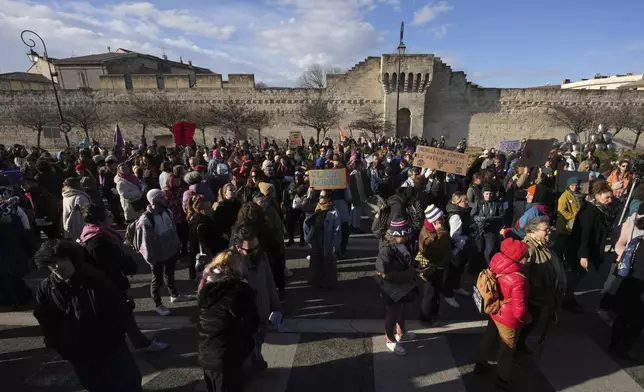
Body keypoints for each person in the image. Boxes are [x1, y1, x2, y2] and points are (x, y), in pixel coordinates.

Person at [32, 239, 143, 392]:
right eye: (52, 263)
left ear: (72, 259)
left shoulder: (96, 281)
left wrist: (112, 340)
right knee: (94, 385)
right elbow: (45, 318)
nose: (58, 266)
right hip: (77, 352)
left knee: (126, 384)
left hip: (108, 349)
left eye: (62, 260)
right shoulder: (46, 288)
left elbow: (118, 313)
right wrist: (58, 344)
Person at [80, 204, 168, 353]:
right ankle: (138, 345)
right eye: (108, 216)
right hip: (110, 285)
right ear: (100, 221)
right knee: (124, 315)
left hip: (107, 284)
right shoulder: (99, 242)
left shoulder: (93, 232)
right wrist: (126, 285)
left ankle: (134, 343)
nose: (112, 217)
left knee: (120, 316)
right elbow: (111, 268)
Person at [197, 251, 259, 392]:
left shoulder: (207, 287)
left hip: (206, 353)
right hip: (228, 356)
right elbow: (251, 325)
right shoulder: (239, 290)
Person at [474, 238, 531, 391]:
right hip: (509, 318)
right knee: (506, 350)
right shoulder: (518, 279)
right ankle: (502, 378)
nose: (528, 258)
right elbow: (519, 310)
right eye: (525, 255)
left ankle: (480, 363)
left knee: (489, 338)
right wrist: (525, 319)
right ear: (517, 257)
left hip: (495, 310)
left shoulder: (496, 263)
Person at [230, 223, 283, 371]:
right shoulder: (229, 263)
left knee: (259, 339)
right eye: (250, 249)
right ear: (238, 247)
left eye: (256, 247)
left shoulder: (262, 256)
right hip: (243, 316)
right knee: (244, 346)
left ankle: (257, 357)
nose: (255, 252)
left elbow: (270, 282)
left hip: (262, 309)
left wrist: (277, 306)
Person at [134, 189, 193, 316]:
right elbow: (146, 241)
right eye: (161, 197)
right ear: (154, 200)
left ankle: (174, 295)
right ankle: (158, 304)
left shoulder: (167, 212)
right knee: (157, 279)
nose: (165, 199)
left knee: (170, 274)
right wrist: (151, 258)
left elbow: (173, 229)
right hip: (156, 255)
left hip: (170, 251)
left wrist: (177, 245)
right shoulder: (146, 219)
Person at [516, 216, 566, 354]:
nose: (549, 232)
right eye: (546, 230)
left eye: (549, 229)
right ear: (532, 231)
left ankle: (520, 345)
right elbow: (522, 275)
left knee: (532, 321)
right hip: (533, 296)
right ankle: (518, 349)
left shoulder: (543, 245)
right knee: (527, 324)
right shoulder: (527, 248)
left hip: (541, 295)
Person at [564, 180, 613, 312]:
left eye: (611, 197)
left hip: (585, 249)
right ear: (597, 196)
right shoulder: (589, 212)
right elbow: (584, 235)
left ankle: (568, 298)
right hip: (579, 250)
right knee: (575, 275)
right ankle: (566, 300)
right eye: (607, 197)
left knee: (577, 275)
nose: (610, 200)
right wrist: (583, 256)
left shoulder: (597, 209)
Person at [375, 218, 417, 356]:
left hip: (404, 284)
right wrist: (410, 272)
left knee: (403, 308)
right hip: (392, 288)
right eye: (404, 235)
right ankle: (390, 339)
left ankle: (401, 332)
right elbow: (384, 273)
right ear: (395, 235)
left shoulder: (405, 243)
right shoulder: (386, 250)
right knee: (392, 314)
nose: (407, 238)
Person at [610, 204, 644, 360]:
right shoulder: (635, 235)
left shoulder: (638, 240)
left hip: (628, 281)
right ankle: (623, 347)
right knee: (636, 321)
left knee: (622, 317)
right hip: (638, 285)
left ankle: (615, 345)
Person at [416, 204, 452, 319]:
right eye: (440, 219)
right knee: (430, 293)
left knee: (436, 291)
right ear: (434, 221)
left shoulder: (431, 228)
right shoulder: (430, 237)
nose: (443, 220)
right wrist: (441, 232)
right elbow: (438, 251)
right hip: (433, 267)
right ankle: (426, 316)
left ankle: (434, 313)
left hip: (437, 266)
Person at [303, 190, 341, 289]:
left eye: (322, 196)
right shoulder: (314, 208)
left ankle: (328, 283)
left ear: (329, 198)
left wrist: (334, 246)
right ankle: (315, 281)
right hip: (316, 239)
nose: (320, 198)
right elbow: (306, 223)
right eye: (319, 196)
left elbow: (337, 230)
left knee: (328, 262)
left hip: (327, 240)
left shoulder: (334, 212)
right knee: (315, 261)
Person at [444, 192, 473, 306]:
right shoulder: (456, 216)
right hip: (457, 249)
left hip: (462, 247)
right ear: (457, 203)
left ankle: (456, 287)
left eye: (466, 200)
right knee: (452, 271)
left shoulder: (462, 212)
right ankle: (448, 294)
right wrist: (466, 238)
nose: (466, 202)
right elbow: (454, 236)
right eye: (464, 201)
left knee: (459, 270)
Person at [471, 184, 505, 268]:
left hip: (491, 230)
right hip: (480, 230)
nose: (488, 196)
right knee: (479, 249)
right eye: (486, 194)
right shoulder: (479, 203)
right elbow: (473, 214)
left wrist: (490, 218)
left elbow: (502, 216)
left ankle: (489, 268)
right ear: (483, 194)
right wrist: (478, 218)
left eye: (490, 194)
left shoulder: (497, 203)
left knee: (489, 250)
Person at [554, 177, 581, 259]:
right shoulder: (565, 196)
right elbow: (561, 210)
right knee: (561, 245)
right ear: (568, 186)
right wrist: (573, 216)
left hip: (571, 225)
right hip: (564, 226)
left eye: (576, 185)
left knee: (568, 244)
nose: (574, 187)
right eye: (572, 185)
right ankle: (558, 260)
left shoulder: (574, 195)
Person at [164, 174, 189, 259]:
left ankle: (184, 250)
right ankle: (176, 252)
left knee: (184, 234)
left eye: (179, 180)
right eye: (175, 181)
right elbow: (166, 203)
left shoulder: (183, 189)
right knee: (175, 235)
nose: (178, 182)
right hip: (172, 216)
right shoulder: (166, 191)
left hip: (183, 215)